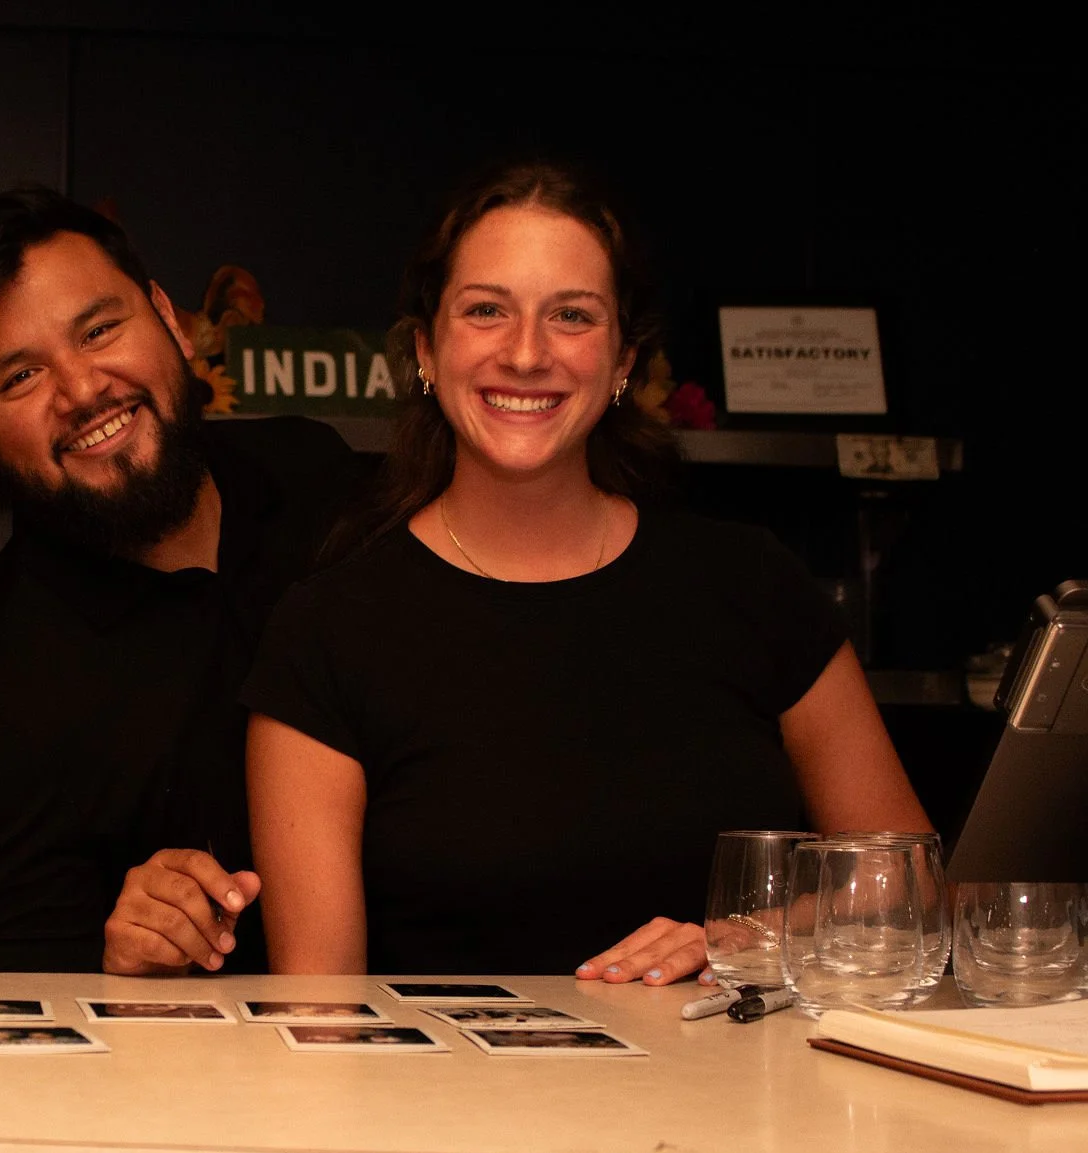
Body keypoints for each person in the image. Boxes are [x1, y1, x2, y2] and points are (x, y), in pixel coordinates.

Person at [245, 161, 930, 985]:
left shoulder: (751, 584)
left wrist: (754, 936)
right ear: (427, 349)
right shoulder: (327, 629)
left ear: (620, 366)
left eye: (571, 315)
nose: (526, 352)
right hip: (443, 1111)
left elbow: (915, 888)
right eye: (486, 310)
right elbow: (318, 1012)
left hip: (740, 1106)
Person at [0, 186, 369, 975]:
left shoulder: (328, 486)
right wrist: (120, 960)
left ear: (170, 318)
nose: (83, 389)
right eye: (19, 377)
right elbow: (15, 1029)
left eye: (100, 329)